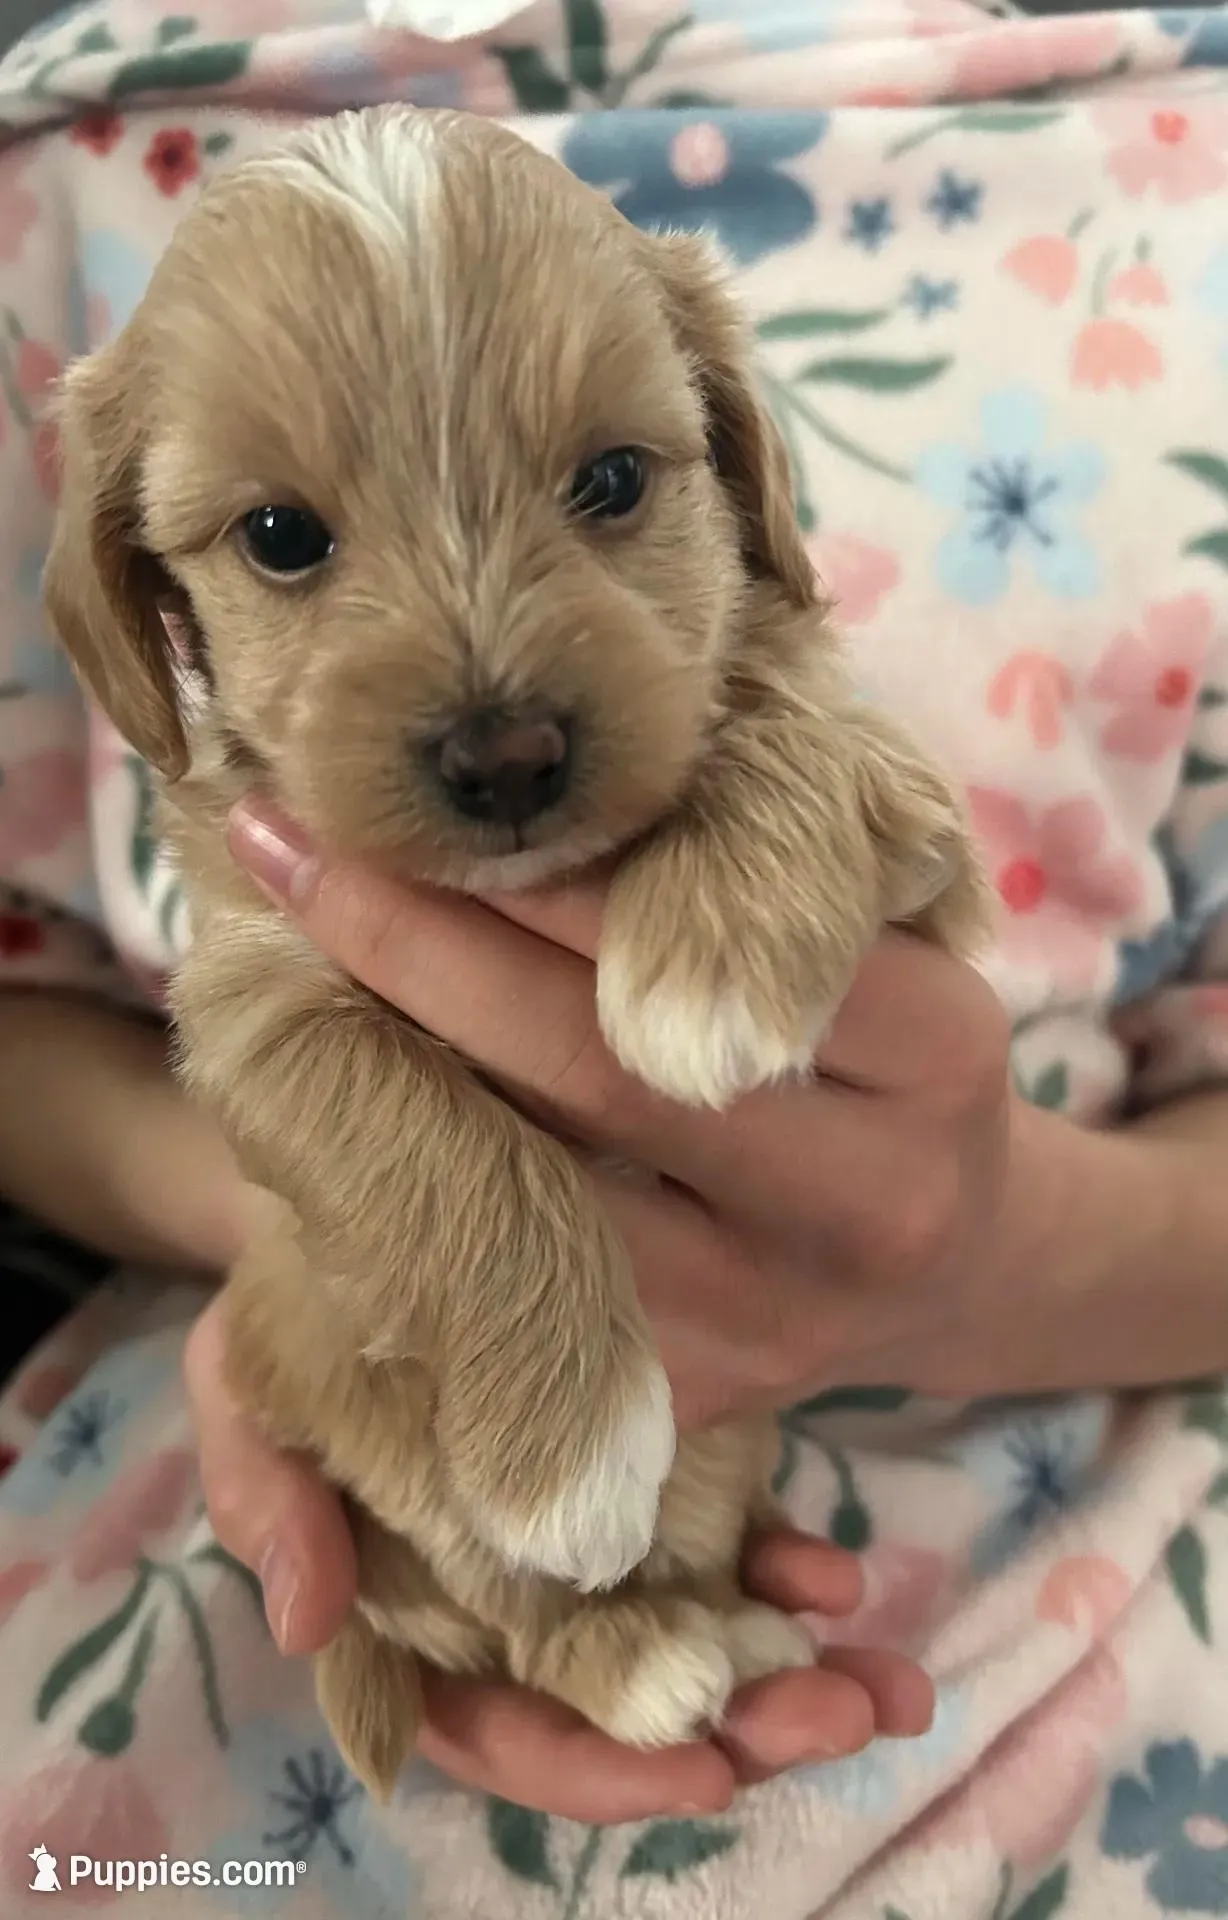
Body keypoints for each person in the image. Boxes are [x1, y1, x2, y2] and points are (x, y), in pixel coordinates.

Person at [2, 0, 1228, 1914]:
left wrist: (1004, 1258)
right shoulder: (67, 164)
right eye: (287, 540)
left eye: (605, 488)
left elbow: (861, 778)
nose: (495, 713)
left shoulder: (1175, 135)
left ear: (740, 465)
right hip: (257, 1472)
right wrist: (354, 1245)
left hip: (1101, 1431)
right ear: (134, 595)